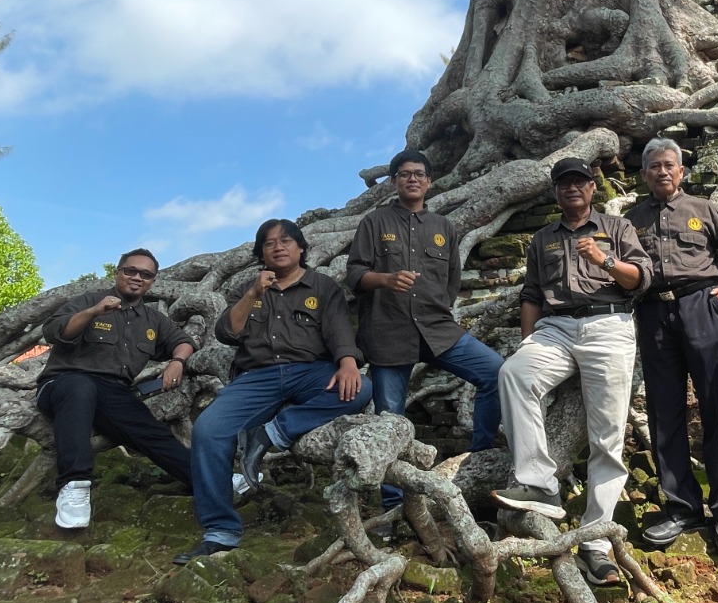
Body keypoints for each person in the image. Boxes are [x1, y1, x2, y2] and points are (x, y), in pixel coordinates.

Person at [174, 218, 372, 563]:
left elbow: (340, 331)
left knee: (359, 389)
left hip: (311, 371)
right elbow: (227, 333)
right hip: (258, 376)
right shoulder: (247, 289)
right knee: (208, 430)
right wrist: (253, 293)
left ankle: (270, 434)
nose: (278, 247)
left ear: (301, 248)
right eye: (269, 243)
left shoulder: (322, 286)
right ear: (260, 253)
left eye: (285, 241)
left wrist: (348, 362)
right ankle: (220, 530)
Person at [492, 157, 651, 586]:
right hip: (556, 327)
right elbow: (530, 295)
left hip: (609, 324)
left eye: (580, 181)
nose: (572, 189)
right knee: (514, 374)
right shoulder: (542, 237)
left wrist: (604, 260)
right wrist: (528, 341)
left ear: (592, 188)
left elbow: (640, 278)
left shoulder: (617, 228)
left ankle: (595, 545)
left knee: (608, 438)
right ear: (556, 192)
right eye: (564, 183)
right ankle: (539, 484)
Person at [346, 148, 505, 518]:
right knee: (391, 419)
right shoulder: (374, 222)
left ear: (429, 182)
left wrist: (434, 308)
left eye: (419, 173)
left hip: (438, 330)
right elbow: (354, 275)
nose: (412, 179)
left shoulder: (443, 228)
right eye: (404, 174)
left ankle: (479, 457)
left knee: (495, 371)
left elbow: (450, 283)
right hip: (388, 331)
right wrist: (386, 279)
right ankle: (393, 505)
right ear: (395, 181)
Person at [626, 138, 718, 553]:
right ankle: (682, 508)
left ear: (681, 171)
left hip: (703, 307)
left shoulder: (703, 209)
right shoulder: (632, 220)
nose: (662, 172)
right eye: (654, 167)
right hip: (654, 314)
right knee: (665, 411)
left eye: (669, 165)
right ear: (644, 174)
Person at [35, 249, 195, 529]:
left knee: (150, 429)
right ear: (117, 273)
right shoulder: (88, 301)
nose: (136, 278)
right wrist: (94, 312)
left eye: (145, 274)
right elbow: (55, 332)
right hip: (63, 382)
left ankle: (207, 479)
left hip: (112, 391)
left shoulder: (152, 319)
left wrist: (177, 361)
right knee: (81, 387)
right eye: (130, 271)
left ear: (152, 281)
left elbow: (183, 340)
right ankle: (74, 485)